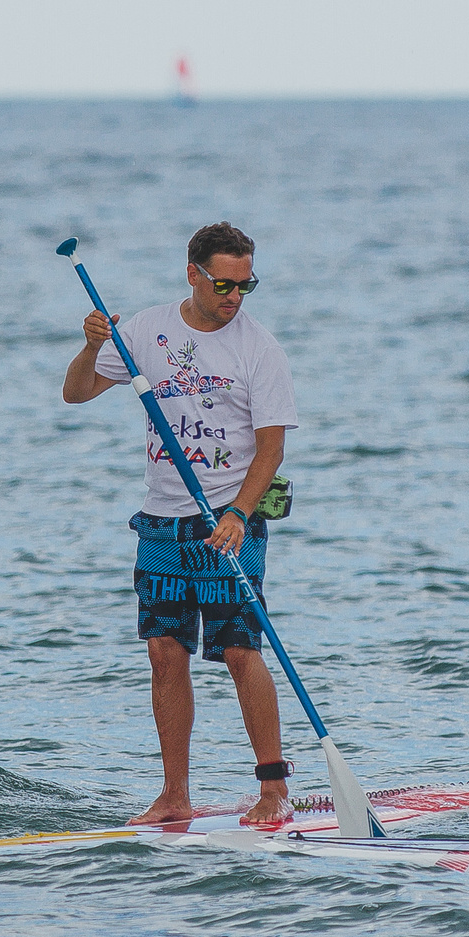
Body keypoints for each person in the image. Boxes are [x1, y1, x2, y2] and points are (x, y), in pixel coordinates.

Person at [62, 222, 301, 826]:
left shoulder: (259, 348)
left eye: (247, 285)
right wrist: (92, 346)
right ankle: (175, 795)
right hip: (161, 527)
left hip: (230, 523)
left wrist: (239, 513)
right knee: (165, 654)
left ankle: (273, 788)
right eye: (224, 284)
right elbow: (77, 392)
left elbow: (271, 450)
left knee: (242, 651)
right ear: (192, 274)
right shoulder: (144, 331)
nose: (235, 297)